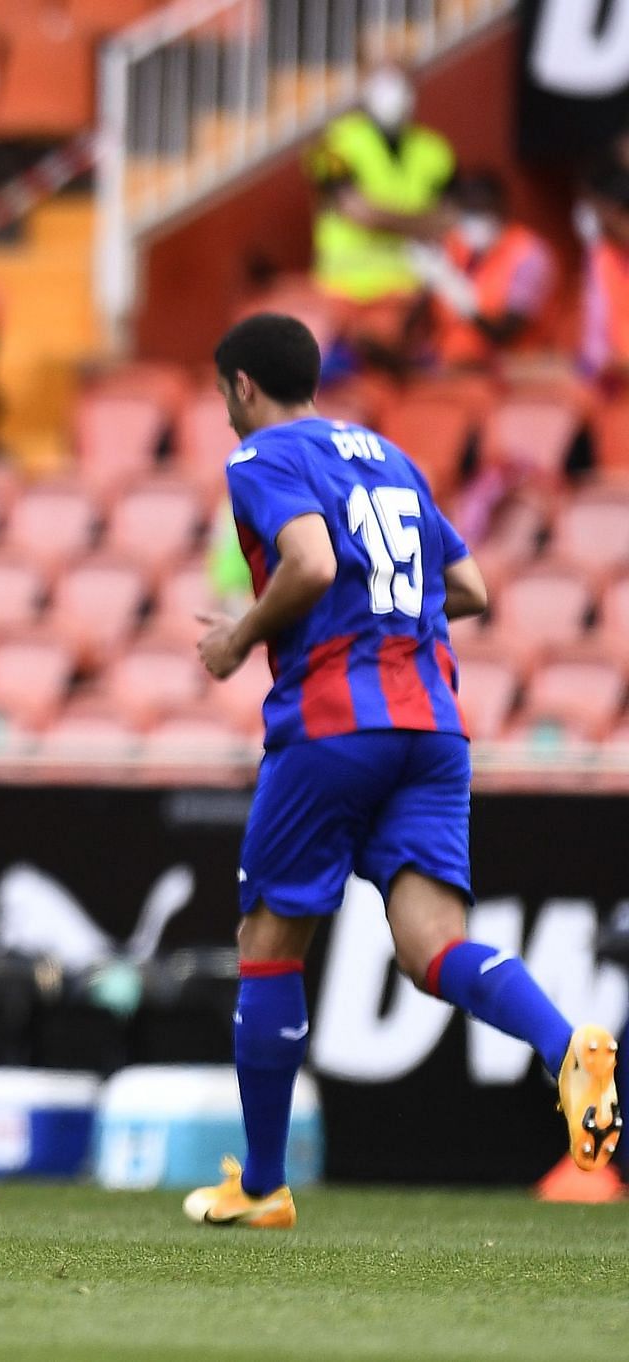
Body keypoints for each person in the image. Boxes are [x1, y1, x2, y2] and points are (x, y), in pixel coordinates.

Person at [184, 313, 620, 1229]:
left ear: (242, 387)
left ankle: (262, 1187)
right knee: (433, 948)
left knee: (269, 947)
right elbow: (471, 589)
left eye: (225, 394)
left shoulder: (261, 459)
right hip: (433, 726)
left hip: (336, 724)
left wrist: (237, 639)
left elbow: (307, 560)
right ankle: (563, 1044)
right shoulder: (387, 455)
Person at [307, 65, 455, 307]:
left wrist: (381, 217)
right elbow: (357, 212)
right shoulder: (334, 142)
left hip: (408, 291)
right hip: (343, 292)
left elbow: (450, 218)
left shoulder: (435, 150)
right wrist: (423, 224)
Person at [409, 173, 557, 371]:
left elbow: (505, 333)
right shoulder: (456, 248)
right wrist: (426, 281)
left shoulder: (529, 253)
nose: (473, 219)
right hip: (451, 369)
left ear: (501, 208)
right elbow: (420, 321)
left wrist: (463, 300)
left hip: (513, 373)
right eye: (467, 211)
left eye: (481, 210)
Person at [579, 167, 629, 386]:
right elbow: (595, 324)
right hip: (614, 387)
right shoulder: (600, 255)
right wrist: (595, 364)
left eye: (596, 208)